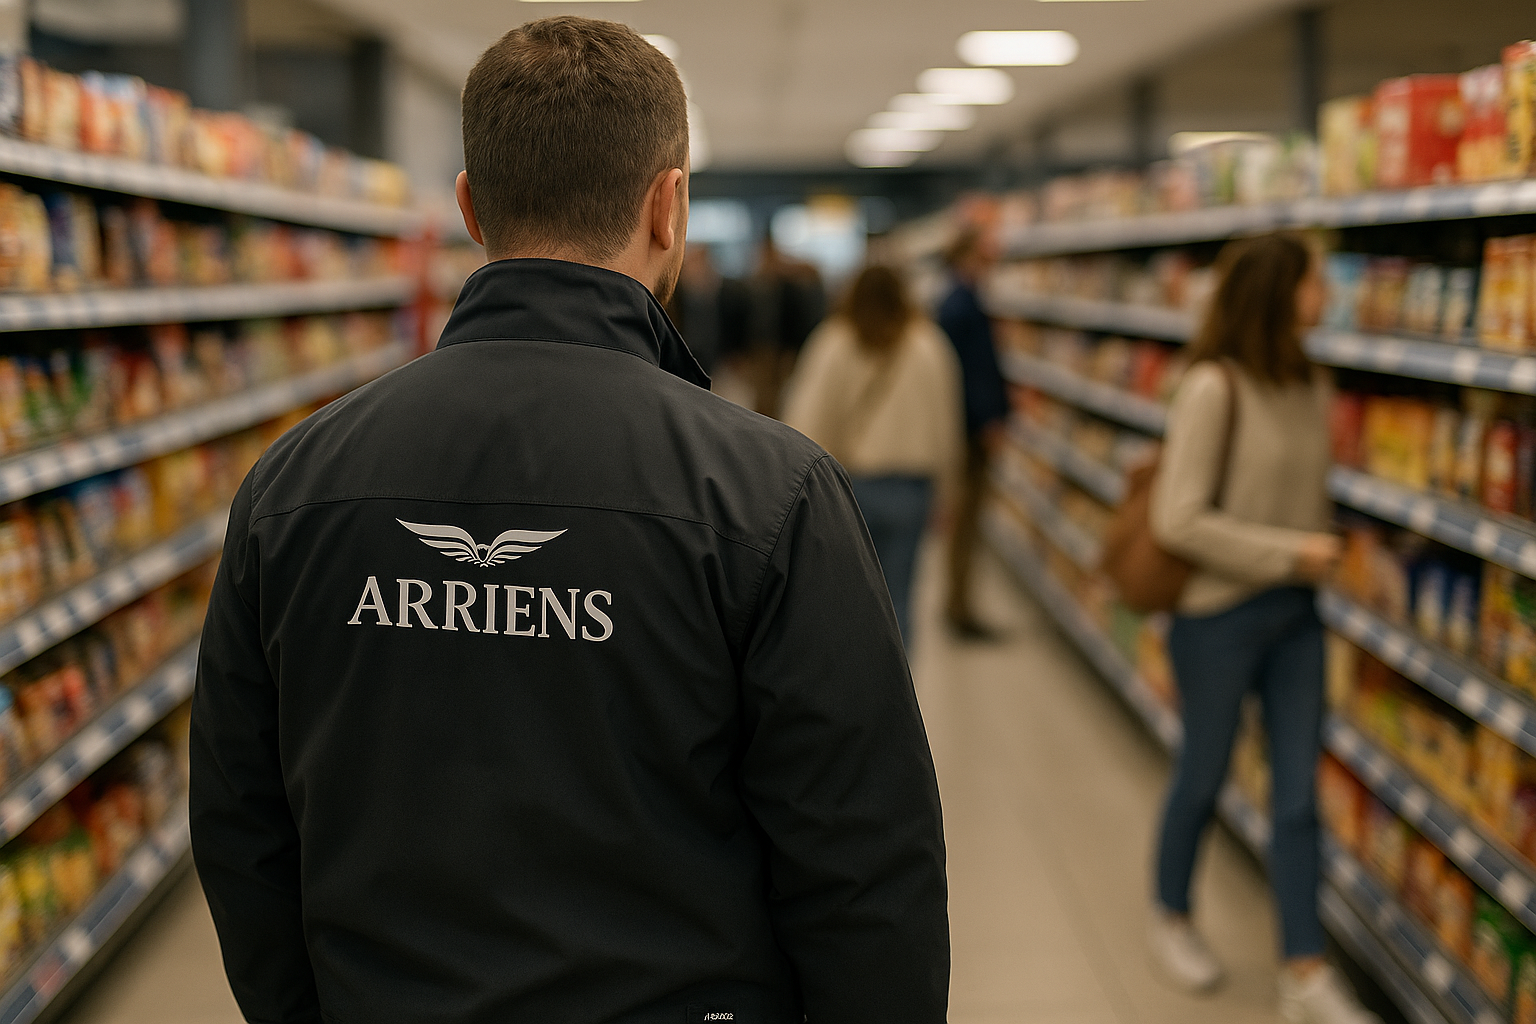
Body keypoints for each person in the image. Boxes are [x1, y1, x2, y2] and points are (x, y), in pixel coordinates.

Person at [189, 17, 949, 1024]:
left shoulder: (292, 483)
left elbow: (240, 820)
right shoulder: (772, 494)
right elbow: (865, 866)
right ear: (669, 206)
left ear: (470, 206)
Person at [1145, 233, 1375, 1024]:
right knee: (1203, 774)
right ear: (1281, 292)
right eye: (1316, 283)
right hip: (1217, 616)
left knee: (1298, 797)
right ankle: (1170, 914)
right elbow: (1177, 520)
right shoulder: (1212, 387)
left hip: (1296, 618)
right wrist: (1291, 552)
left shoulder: (1311, 381)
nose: (1328, 296)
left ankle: (1303, 969)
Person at [782, 265, 964, 646]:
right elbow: (947, 426)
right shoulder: (929, 345)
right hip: (911, 492)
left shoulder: (833, 342)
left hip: (849, 491)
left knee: (844, 598)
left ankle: (851, 677)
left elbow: (805, 421)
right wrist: (948, 493)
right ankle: (898, 679)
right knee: (900, 600)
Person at [935, 228, 1010, 639]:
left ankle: (959, 602)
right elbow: (969, 373)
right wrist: (988, 419)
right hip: (970, 430)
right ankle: (959, 607)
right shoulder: (961, 304)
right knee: (966, 519)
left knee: (966, 519)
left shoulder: (959, 300)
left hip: (967, 425)